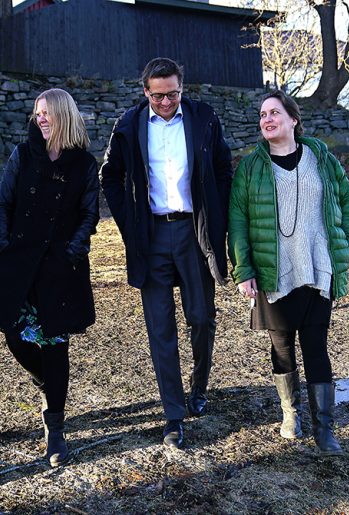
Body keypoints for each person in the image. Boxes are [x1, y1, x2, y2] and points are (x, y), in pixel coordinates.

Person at [100, 57, 233, 449]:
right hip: (151, 236)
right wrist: (130, 224)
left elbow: (223, 169)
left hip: (194, 232)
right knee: (161, 329)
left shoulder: (204, 118)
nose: (165, 102)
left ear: (181, 88)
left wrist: (217, 216)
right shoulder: (128, 125)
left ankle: (199, 386)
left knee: (201, 317)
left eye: (172, 94)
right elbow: (110, 176)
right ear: (145, 92)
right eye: (157, 95)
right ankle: (173, 415)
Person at [228, 89, 349, 457]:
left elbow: (344, 200)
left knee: (316, 346)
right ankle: (291, 413)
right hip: (274, 270)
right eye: (262, 115)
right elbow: (238, 221)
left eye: (274, 113)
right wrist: (244, 269)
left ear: (293, 119)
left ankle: (324, 429)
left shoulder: (321, 157)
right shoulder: (251, 168)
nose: (267, 119)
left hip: (317, 266)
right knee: (282, 347)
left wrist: (346, 242)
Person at [0, 88, 99, 467]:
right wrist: (2, 244)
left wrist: (72, 251)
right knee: (14, 337)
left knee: (55, 347)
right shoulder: (22, 155)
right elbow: (3, 204)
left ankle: (55, 429)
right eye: (38, 113)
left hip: (59, 268)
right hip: (18, 263)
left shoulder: (84, 164)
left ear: (64, 115)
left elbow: (89, 214)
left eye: (48, 112)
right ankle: (46, 381)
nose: (41, 118)